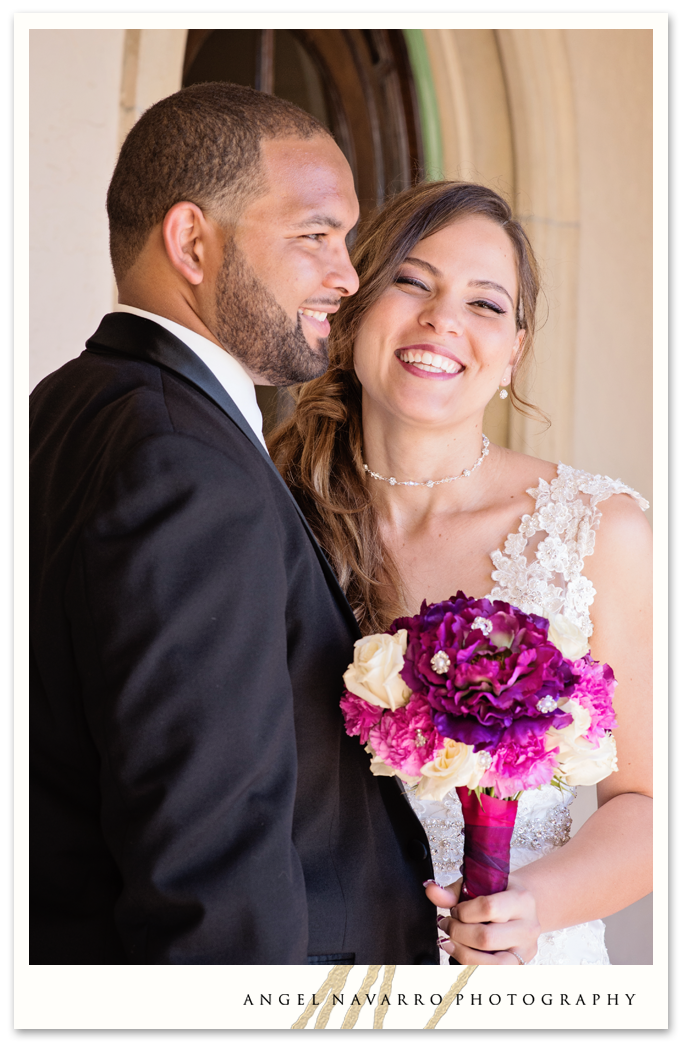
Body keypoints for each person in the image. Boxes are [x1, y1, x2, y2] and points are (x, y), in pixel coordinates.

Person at [29, 83, 440, 964]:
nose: (347, 275)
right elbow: (208, 847)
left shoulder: (66, 403)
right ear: (191, 241)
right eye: (315, 236)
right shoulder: (184, 459)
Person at [269, 180, 653, 965]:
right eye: (412, 282)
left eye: (485, 304)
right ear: (352, 309)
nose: (442, 319)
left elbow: (652, 808)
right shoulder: (271, 514)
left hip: (513, 985)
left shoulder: (596, 533)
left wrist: (531, 907)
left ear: (514, 349)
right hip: (306, 973)